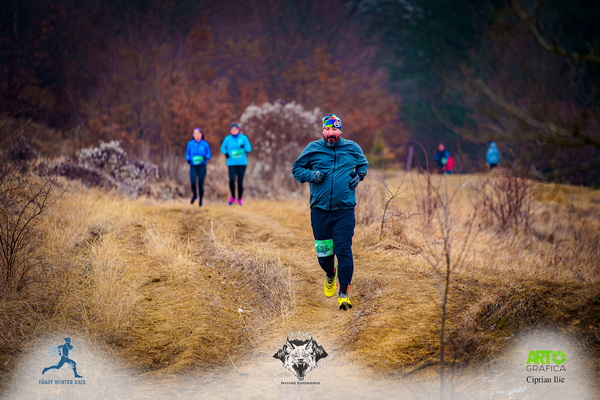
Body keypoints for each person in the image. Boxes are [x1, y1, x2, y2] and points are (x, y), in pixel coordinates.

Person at [292, 113, 369, 310]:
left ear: (340, 131)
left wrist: (359, 176)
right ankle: (330, 273)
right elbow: (297, 169)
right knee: (324, 257)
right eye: (327, 129)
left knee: (343, 250)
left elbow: (363, 164)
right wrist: (312, 175)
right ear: (322, 131)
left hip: (345, 210)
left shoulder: (352, 147)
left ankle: (343, 295)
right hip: (320, 211)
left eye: (334, 129)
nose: (330, 133)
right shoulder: (313, 148)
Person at [221, 123, 252, 205]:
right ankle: (233, 197)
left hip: (242, 163)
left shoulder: (243, 138)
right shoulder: (227, 139)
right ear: (230, 130)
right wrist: (226, 153)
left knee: (240, 181)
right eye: (232, 129)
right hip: (231, 163)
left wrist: (243, 147)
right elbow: (222, 148)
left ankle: (240, 198)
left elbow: (249, 149)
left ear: (238, 130)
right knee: (231, 180)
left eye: (236, 129)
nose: (234, 131)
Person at [185, 127, 212, 206]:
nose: (196, 135)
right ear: (193, 135)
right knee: (193, 181)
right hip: (193, 166)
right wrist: (188, 159)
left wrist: (204, 157)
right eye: (195, 134)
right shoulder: (190, 144)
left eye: (198, 134)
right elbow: (187, 154)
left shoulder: (205, 144)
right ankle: (194, 195)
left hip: (202, 166)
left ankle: (200, 201)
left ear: (201, 135)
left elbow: (209, 155)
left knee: (200, 183)